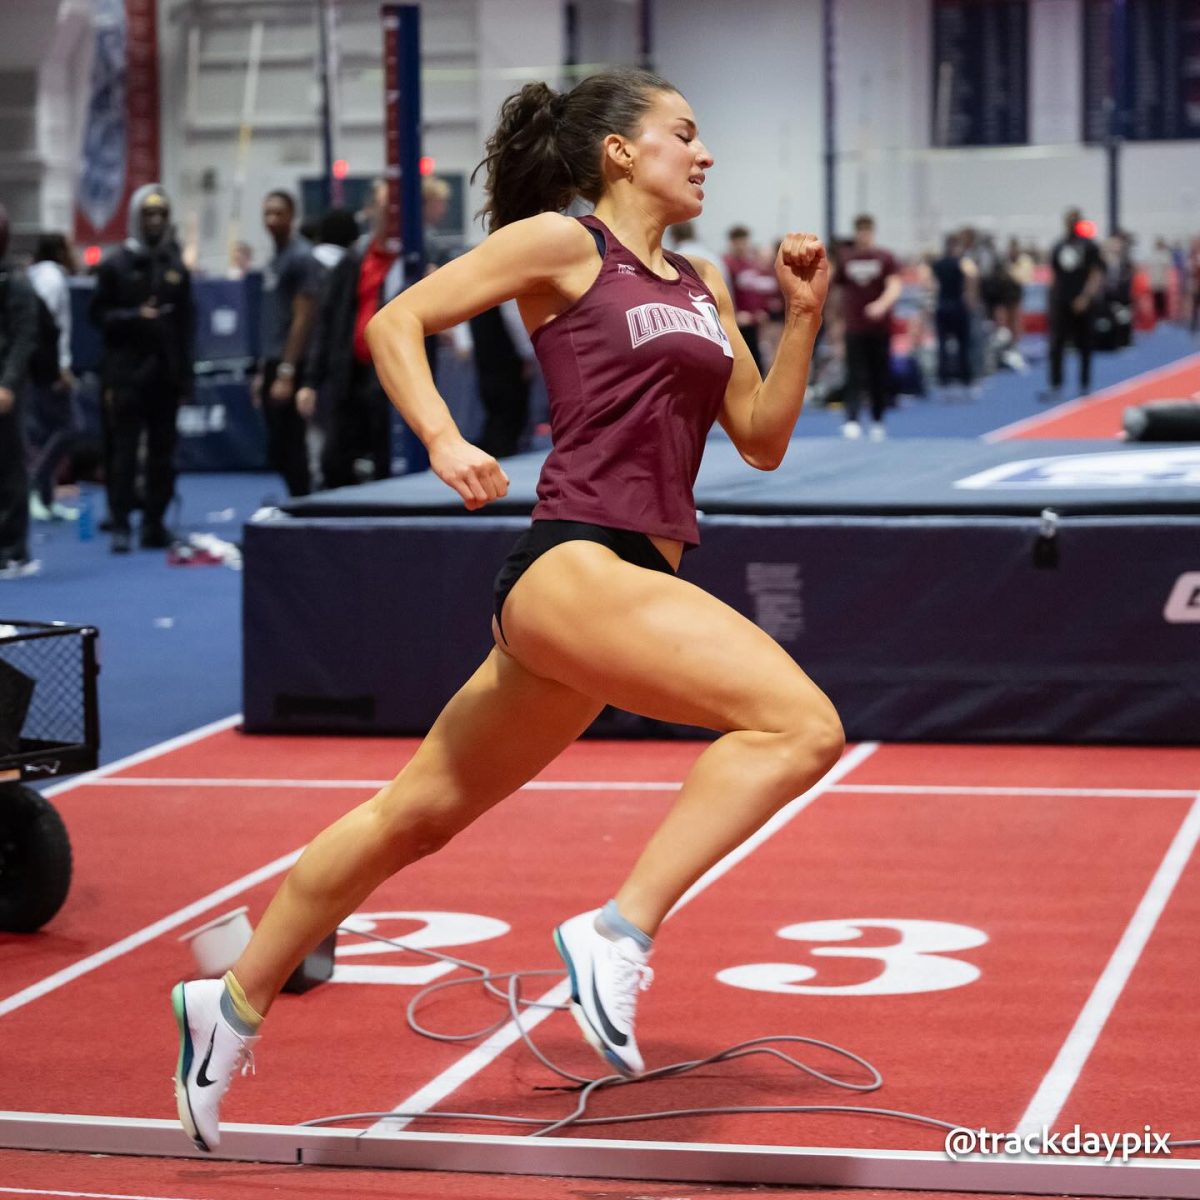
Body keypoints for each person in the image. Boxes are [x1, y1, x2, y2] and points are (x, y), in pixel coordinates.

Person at [171, 67, 840, 1155]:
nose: (704, 152)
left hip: (628, 585)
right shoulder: (564, 247)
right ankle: (616, 932)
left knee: (415, 816)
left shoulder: (707, 277)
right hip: (573, 562)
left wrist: (805, 318)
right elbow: (399, 320)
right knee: (799, 725)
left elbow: (760, 437)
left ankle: (229, 1004)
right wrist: (443, 439)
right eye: (685, 132)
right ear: (621, 152)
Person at [89, 184, 193, 552]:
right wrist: (136, 317)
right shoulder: (115, 264)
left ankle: (154, 524)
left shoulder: (174, 265)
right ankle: (120, 524)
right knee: (124, 453)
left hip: (164, 375)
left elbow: (186, 326)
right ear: (136, 216)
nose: (155, 221)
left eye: (161, 214)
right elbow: (97, 315)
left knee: (163, 454)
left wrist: (186, 379)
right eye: (148, 214)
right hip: (126, 374)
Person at [299, 180, 404, 488]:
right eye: (384, 208)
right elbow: (328, 321)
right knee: (335, 461)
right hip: (350, 373)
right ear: (370, 211)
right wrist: (310, 381)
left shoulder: (415, 260)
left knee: (388, 462)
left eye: (395, 208)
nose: (389, 214)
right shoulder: (354, 259)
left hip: (390, 379)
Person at [255, 190, 319, 497]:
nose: (271, 219)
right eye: (267, 213)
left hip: (291, 363)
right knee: (276, 446)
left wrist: (286, 370)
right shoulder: (274, 259)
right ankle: (297, 498)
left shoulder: (301, 257)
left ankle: (303, 503)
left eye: (278, 213)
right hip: (272, 359)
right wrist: (262, 370)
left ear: (292, 216)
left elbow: (302, 318)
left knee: (292, 443)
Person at [832, 213, 901, 440]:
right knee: (853, 374)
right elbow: (837, 289)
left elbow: (894, 286)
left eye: (867, 232)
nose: (864, 236)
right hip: (855, 327)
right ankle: (851, 419)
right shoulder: (847, 259)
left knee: (878, 374)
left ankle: (877, 420)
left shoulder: (884, 258)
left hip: (879, 327)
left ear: (872, 233)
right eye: (860, 232)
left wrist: (881, 305)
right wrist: (837, 321)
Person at [26, 232, 78, 521]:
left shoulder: (39, 276)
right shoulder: (51, 280)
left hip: (40, 366)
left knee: (46, 432)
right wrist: (60, 366)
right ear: (59, 251)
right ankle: (34, 487)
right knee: (71, 427)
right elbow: (45, 327)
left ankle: (46, 498)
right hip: (48, 368)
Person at [0, 202, 39, 577]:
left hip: (5, 390)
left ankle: (14, 549)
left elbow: (24, 337)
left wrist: (8, 384)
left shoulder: (15, 282)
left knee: (10, 467)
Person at [1041, 208, 1104, 403]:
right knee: (1057, 343)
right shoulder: (1059, 246)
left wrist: (1085, 297)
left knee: (1084, 343)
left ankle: (1084, 384)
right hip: (1062, 301)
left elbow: (1096, 274)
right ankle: (1056, 384)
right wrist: (1052, 299)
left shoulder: (1090, 246)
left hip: (1083, 302)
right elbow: (1054, 275)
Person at [929, 231, 979, 397]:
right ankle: (966, 380)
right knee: (963, 345)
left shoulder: (938, 264)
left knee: (943, 346)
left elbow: (931, 285)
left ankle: (944, 382)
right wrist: (970, 297)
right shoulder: (963, 263)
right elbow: (973, 276)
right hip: (957, 306)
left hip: (943, 306)